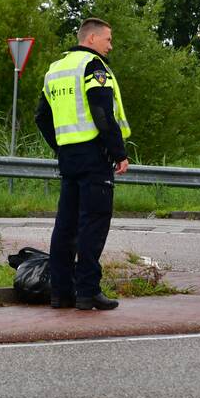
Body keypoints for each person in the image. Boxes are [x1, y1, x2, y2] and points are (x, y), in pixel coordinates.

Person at [35, 17, 131, 310]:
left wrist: (62, 145)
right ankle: (88, 291)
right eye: (108, 40)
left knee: (65, 225)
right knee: (94, 223)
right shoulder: (94, 67)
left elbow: (41, 117)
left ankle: (61, 293)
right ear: (91, 39)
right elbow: (102, 113)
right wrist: (118, 153)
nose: (110, 46)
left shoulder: (55, 69)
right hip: (94, 157)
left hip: (69, 157)